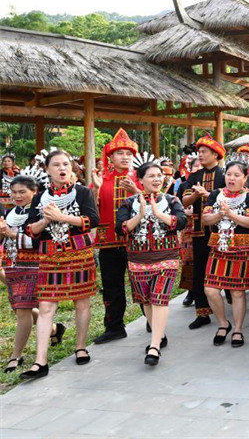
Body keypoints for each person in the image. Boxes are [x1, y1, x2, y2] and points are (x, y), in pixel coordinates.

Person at [21, 150, 100, 379]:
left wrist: (63, 218)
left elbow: (92, 220)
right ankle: (40, 361)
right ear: (47, 169)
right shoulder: (40, 198)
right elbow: (31, 230)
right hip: (49, 257)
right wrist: (46, 218)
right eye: (56, 165)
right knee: (45, 306)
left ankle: (81, 346)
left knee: (82, 302)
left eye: (66, 164)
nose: (62, 168)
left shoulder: (82, 192)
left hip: (78, 254)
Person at [116, 162, 187, 365]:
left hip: (167, 258)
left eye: (159, 175)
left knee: (159, 299)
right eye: (151, 176)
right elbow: (120, 228)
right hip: (138, 259)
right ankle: (159, 334)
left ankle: (154, 346)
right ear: (141, 180)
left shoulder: (172, 200)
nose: (157, 179)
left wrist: (158, 214)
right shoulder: (129, 203)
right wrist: (140, 215)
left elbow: (181, 221)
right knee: (146, 300)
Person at [0, 171, 64, 373]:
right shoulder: (12, 212)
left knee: (23, 310)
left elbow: (39, 241)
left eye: (22, 192)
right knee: (20, 308)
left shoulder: (41, 211)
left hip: (36, 265)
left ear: (35, 191)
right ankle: (55, 330)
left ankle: (15, 355)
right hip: (13, 266)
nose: (17, 196)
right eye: (14, 192)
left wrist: (11, 234)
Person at [89, 129, 139, 344]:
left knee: (141, 282)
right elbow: (91, 209)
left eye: (128, 153)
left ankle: (153, 322)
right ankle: (114, 326)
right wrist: (96, 189)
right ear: (110, 157)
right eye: (120, 153)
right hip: (108, 240)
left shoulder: (140, 177)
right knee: (112, 285)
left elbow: (154, 202)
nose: (125, 157)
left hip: (137, 239)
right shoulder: (101, 179)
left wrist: (136, 189)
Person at [201, 158, 249, 348]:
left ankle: (238, 329)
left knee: (237, 292)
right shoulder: (215, 194)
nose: (231, 178)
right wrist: (220, 214)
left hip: (242, 248)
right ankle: (223, 323)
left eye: (236, 175)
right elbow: (206, 218)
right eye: (228, 174)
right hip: (219, 247)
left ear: (245, 177)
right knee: (210, 289)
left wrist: (231, 214)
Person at [180, 134, 226, 329]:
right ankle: (202, 312)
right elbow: (184, 200)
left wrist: (210, 196)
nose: (200, 155)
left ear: (216, 155)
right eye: (199, 152)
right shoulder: (195, 176)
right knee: (200, 271)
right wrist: (196, 195)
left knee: (224, 268)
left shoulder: (225, 174)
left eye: (204, 152)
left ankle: (231, 302)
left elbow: (231, 197)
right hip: (199, 231)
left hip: (223, 230)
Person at [178, 154, 199, 306]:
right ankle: (191, 291)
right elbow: (177, 204)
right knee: (188, 260)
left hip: (206, 225)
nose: (198, 169)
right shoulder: (185, 185)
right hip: (188, 226)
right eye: (195, 166)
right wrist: (184, 212)